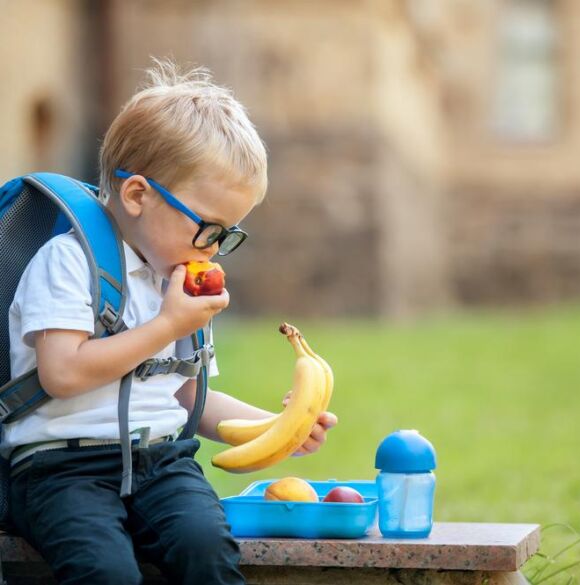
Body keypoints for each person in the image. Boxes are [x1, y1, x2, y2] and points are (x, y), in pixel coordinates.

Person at [5, 59, 338, 585]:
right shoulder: (69, 263)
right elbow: (62, 374)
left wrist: (280, 428)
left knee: (207, 549)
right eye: (208, 227)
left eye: (228, 233)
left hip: (162, 463)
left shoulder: (177, 282)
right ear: (138, 195)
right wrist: (165, 324)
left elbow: (186, 397)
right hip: (60, 470)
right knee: (106, 573)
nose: (212, 247)